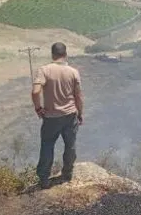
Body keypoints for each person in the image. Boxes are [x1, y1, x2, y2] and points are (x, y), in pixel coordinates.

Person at [31, 42, 84, 189]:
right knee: (70, 145)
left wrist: (38, 108)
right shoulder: (73, 72)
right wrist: (80, 113)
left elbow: (35, 92)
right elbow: (78, 96)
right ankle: (67, 174)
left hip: (51, 117)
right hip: (69, 115)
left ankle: (44, 179)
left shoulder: (44, 70)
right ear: (65, 54)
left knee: (47, 146)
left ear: (52, 55)